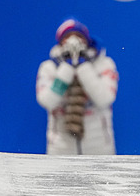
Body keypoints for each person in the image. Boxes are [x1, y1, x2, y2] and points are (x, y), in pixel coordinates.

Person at [36, 18, 118, 155]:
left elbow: (104, 99)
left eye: (79, 36)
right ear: (60, 42)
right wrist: (66, 69)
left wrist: (83, 67)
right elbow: (47, 101)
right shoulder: (49, 68)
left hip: (99, 149)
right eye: (67, 37)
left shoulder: (104, 64)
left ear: (87, 40)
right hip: (61, 149)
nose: (74, 41)